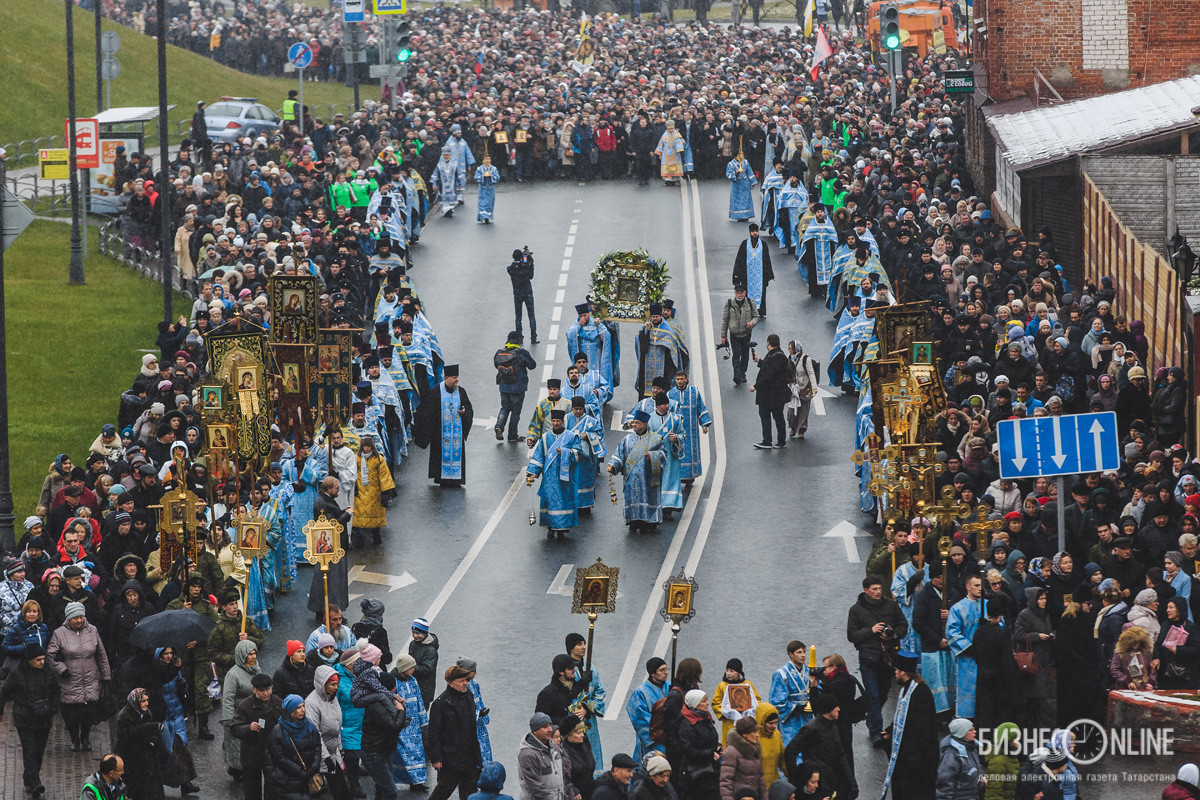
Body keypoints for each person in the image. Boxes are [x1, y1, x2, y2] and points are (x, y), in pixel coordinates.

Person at [846, 575, 906, 748]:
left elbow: (903, 624)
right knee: (872, 695)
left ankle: (872, 720)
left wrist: (894, 634)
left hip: (888, 659)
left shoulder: (891, 606)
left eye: (880, 588)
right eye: (874, 589)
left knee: (883, 693)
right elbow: (851, 635)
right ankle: (876, 732)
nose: (878, 592)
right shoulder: (856, 610)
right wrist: (871, 630)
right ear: (866, 590)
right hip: (868, 658)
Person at [47, 601, 110, 753]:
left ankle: (85, 738)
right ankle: (74, 738)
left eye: (81, 617)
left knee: (88, 713)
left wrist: (106, 675)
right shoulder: (59, 633)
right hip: (69, 680)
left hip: (90, 678)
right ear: (69, 618)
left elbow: (101, 655)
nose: (78, 620)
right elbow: (50, 656)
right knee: (71, 715)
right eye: (75, 618)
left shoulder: (92, 630)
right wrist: (62, 669)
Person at [0, 643, 59, 797]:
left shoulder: (49, 672)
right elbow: (4, 692)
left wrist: (52, 709)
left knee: (39, 752)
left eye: (43, 659)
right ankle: (34, 783)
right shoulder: (16, 674)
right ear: (29, 660)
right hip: (24, 719)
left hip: (43, 719)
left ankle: (29, 779)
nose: (42, 662)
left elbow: (56, 691)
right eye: (38, 660)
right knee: (29, 752)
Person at [880, 652, 938, 800]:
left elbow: (919, 727)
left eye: (896, 670)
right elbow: (902, 718)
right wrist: (890, 731)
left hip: (917, 759)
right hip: (907, 757)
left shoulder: (921, 693)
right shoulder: (907, 689)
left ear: (904, 672)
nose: (895, 673)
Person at [609, 409, 676, 532]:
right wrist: (613, 465)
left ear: (644, 424)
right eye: (633, 422)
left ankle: (650, 522)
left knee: (649, 498)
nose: (634, 425)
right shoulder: (627, 439)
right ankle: (634, 522)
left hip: (648, 478)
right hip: (632, 479)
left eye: (637, 423)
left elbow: (663, 454)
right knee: (632, 499)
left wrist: (652, 456)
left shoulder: (655, 439)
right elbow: (619, 455)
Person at [783, 694, 856, 800]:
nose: (839, 709)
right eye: (836, 706)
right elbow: (790, 751)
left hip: (832, 782)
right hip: (818, 786)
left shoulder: (833, 727)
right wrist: (798, 778)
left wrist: (852, 783)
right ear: (828, 709)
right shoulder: (811, 729)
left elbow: (841, 756)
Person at [427, 665, 483, 800]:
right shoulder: (440, 704)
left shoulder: (468, 696)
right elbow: (434, 733)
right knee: (443, 790)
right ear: (450, 682)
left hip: (469, 756)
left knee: (470, 792)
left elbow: (472, 728)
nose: (465, 684)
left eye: (466, 680)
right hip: (449, 758)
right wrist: (436, 759)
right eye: (461, 681)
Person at [527, 410, 585, 540]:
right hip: (549, 477)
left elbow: (578, 453)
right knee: (549, 501)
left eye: (558, 421)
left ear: (563, 422)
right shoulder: (545, 437)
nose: (555, 423)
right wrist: (534, 473)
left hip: (564, 477)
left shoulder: (571, 436)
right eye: (553, 421)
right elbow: (539, 456)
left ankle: (561, 529)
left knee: (563, 502)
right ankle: (550, 528)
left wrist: (565, 452)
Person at [414, 365, 474, 487]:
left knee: (457, 454)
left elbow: (468, 407)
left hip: (456, 432)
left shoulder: (461, 391)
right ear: (446, 377)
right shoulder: (436, 392)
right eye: (454, 377)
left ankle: (456, 479)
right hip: (440, 433)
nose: (457, 380)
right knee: (440, 455)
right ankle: (442, 479)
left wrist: (464, 411)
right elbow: (428, 412)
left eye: (457, 377)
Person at [231, 672, 284, 800]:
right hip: (252, 753)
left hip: (272, 751)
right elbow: (234, 728)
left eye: (268, 689)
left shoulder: (277, 702)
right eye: (261, 691)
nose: (266, 693)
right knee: (252, 790)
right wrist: (248, 727)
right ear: (254, 689)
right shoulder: (245, 705)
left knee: (273, 788)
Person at [357, 670, 408, 800]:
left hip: (382, 750)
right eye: (394, 688)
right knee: (391, 792)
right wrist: (401, 711)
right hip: (373, 753)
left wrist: (402, 708)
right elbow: (393, 726)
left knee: (382, 789)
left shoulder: (385, 701)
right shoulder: (377, 705)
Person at [305, 665, 353, 800]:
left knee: (341, 789)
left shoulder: (332, 697)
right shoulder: (311, 703)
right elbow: (315, 733)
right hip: (320, 755)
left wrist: (339, 748)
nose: (336, 687)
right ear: (322, 683)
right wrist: (325, 757)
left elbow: (336, 726)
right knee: (328, 790)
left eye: (337, 683)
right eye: (332, 684)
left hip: (332, 752)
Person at [307, 477, 352, 616]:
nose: (338, 490)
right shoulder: (322, 504)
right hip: (330, 549)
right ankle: (329, 612)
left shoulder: (325, 499)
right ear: (328, 489)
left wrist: (344, 511)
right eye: (336, 488)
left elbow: (333, 516)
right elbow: (331, 526)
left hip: (331, 548)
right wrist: (346, 514)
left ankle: (325, 610)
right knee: (332, 581)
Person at [115, 687, 165, 800]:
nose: (146, 704)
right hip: (130, 759)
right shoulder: (124, 716)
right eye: (143, 701)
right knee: (134, 789)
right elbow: (128, 735)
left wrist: (152, 740)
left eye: (147, 700)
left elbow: (151, 734)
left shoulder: (146, 713)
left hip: (145, 756)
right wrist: (150, 728)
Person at [946, 575, 985, 719]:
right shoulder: (957, 608)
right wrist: (970, 648)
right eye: (976, 585)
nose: (980, 588)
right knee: (968, 690)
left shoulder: (988, 604)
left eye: (981, 585)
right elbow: (952, 632)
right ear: (968, 587)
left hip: (987, 657)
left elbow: (1000, 624)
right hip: (967, 658)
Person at [391, 654, 430, 789]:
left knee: (418, 754)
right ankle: (406, 780)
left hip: (415, 726)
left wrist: (424, 722)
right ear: (403, 669)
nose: (413, 669)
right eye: (411, 667)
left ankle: (417, 782)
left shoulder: (413, 681)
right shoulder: (394, 683)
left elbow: (419, 701)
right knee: (404, 756)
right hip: (403, 725)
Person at [636, 304, 689, 401]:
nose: (654, 319)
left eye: (656, 317)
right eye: (653, 317)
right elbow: (641, 346)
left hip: (663, 367)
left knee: (662, 392)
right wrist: (646, 332)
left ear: (660, 315)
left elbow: (673, 349)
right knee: (645, 392)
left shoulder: (667, 329)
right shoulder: (647, 327)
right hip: (647, 365)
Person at [668, 371, 712, 484]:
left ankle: (690, 476)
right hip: (677, 430)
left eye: (682, 379)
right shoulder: (670, 394)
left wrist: (704, 425)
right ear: (675, 380)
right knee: (677, 451)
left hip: (691, 430)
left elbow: (700, 408)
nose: (680, 381)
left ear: (686, 379)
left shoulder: (694, 392)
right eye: (678, 379)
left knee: (689, 451)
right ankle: (679, 476)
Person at [677, 690, 720, 800]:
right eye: (703, 701)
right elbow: (688, 751)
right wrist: (710, 754)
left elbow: (709, 739)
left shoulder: (705, 718)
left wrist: (718, 747)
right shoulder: (687, 724)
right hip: (695, 776)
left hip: (709, 771)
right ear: (695, 703)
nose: (707, 704)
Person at [767, 642, 812, 746]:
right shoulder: (781, 674)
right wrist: (795, 707)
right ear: (790, 654)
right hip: (790, 720)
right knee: (791, 748)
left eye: (804, 652)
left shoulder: (809, 671)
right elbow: (776, 701)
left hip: (807, 718)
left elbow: (816, 691)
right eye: (799, 652)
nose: (803, 655)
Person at [626, 657, 671, 763]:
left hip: (671, 738)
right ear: (653, 674)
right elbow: (639, 719)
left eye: (666, 669)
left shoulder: (670, 686)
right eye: (662, 670)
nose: (666, 672)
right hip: (654, 740)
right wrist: (661, 732)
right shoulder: (640, 692)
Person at [495, 331, 538, 442]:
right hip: (518, 388)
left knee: (504, 408)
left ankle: (499, 427)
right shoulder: (521, 353)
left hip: (504, 387)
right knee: (515, 411)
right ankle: (512, 435)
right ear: (518, 340)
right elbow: (532, 365)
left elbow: (496, 364)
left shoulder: (499, 353)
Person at [751, 335, 789, 450]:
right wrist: (758, 361)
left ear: (768, 343)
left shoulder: (776, 356)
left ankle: (768, 441)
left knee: (767, 416)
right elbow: (769, 368)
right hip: (776, 394)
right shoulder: (778, 355)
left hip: (770, 394)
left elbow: (769, 374)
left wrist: (756, 386)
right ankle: (780, 441)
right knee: (778, 417)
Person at [935, 718, 985, 800]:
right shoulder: (952, 754)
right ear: (962, 733)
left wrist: (981, 777)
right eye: (970, 730)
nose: (975, 732)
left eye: (974, 729)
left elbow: (974, 767)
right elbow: (945, 783)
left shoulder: (971, 748)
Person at [732, 225, 774, 317]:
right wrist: (737, 272)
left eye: (756, 231)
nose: (755, 233)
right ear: (750, 233)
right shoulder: (744, 244)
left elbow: (767, 260)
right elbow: (739, 259)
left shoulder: (763, 244)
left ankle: (760, 312)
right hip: (747, 275)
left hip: (760, 276)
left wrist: (768, 274)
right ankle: (748, 311)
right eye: (753, 232)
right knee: (747, 292)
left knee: (761, 293)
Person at [719, 716, 765, 800]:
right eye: (754, 732)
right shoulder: (731, 752)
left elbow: (761, 782)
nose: (757, 735)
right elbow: (725, 782)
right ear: (745, 734)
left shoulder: (755, 750)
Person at [784, 341, 819, 440]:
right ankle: (793, 428)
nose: (789, 350)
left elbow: (811, 373)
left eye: (790, 348)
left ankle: (801, 430)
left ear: (796, 349)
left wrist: (814, 388)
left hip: (804, 388)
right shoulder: (789, 358)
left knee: (804, 409)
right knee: (792, 409)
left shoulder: (805, 359)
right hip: (793, 388)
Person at [561, 714, 596, 800]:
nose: (582, 735)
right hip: (575, 795)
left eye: (582, 732)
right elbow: (563, 777)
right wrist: (574, 790)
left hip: (590, 791)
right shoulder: (563, 751)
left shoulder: (583, 745)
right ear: (568, 735)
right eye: (578, 733)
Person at [507, 250, 538, 345]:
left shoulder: (510, 268)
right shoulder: (525, 266)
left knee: (518, 316)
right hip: (528, 293)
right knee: (531, 316)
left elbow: (513, 267)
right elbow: (531, 276)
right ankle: (533, 337)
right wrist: (530, 263)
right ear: (521, 257)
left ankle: (519, 338)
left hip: (517, 294)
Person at [409, 617, 440, 707]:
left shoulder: (431, 650)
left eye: (418, 633)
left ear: (424, 633)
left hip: (424, 690)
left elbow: (427, 669)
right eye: (413, 632)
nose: (415, 635)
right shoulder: (413, 644)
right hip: (413, 685)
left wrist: (408, 668)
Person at [726, 149, 757, 221]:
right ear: (736, 155)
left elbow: (750, 172)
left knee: (746, 199)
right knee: (737, 200)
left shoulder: (745, 162)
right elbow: (729, 175)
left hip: (745, 184)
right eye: (741, 154)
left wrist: (752, 183)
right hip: (736, 185)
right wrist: (736, 172)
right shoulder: (730, 164)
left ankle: (746, 215)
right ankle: (738, 216)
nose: (743, 155)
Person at [654, 120, 685, 186]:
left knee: (676, 165)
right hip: (666, 153)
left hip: (675, 153)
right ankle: (668, 179)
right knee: (667, 167)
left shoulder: (677, 133)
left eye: (672, 128)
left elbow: (680, 142)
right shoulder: (664, 135)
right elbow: (660, 144)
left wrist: (682, 143)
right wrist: (660, 154)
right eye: (669, 129)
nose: (671, 130)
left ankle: (676, 179)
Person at [474, 155, 500, 223]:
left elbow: (497, 177)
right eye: (486, 159)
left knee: (489, 202)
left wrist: (491, 176)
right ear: (483, 160)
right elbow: (476, 177)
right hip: (482, 189)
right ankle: (483, 216)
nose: (487, 161)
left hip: (490, 189)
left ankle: (487, 216)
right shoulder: (479, 169)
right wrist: (483, 176)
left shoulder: (494, 169)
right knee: (482, 202)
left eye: (488, 159)